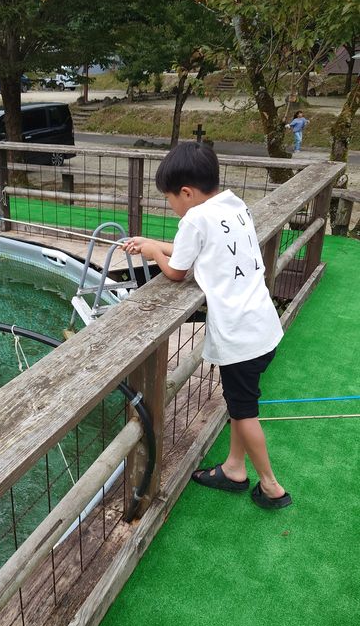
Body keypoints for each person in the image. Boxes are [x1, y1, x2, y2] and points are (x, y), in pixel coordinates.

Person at [123, 142, 291, 509]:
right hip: (263, 326)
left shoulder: (194, 218)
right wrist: (156, 243)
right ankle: (234, 468)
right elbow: (198, 248)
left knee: (245, 413)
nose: (172, 207)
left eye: (170, 199)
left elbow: (177, 271)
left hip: (240, 338)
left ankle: (271, 486)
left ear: (186, 192)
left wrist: (153, 253)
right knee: (238, 404)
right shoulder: (234, 205)